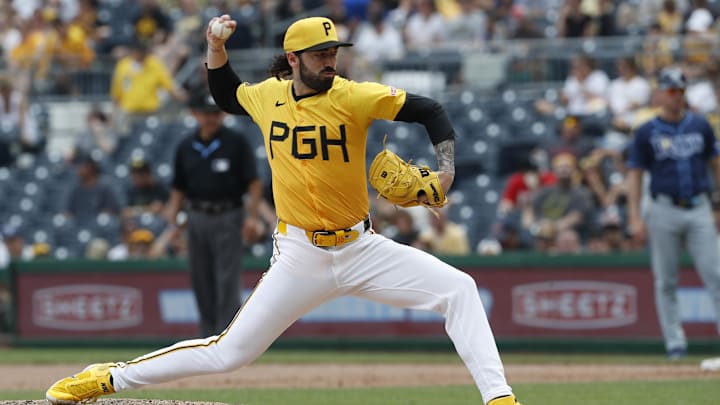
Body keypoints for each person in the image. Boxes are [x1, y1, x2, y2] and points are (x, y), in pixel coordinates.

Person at [45, 15, 521, 405]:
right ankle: (109, 377)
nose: (330, 61)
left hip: (362, 247)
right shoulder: (269, 96)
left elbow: (430, 110)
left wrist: (445, 170)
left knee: (460, 289)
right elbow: (227, 93)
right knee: (228, 353)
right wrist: (214, 46)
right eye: (320, 54)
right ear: (293, 59)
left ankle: (499, 398)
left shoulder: (352, 96)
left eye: (334, 52)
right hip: (300, 255)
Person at [627, 67, 720, 360]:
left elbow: (716, 164)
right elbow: (635, 175)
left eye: (680, 91)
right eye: (671, 91)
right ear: (659, 94)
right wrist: (634, 216)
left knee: (716, 274)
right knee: (666, 280)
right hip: (663, 208)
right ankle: (674, 343)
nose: (676, 96)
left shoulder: (700, 125)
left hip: (699, 206)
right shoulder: (646, 131)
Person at [164, 90, 264, 337]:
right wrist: (174, 225)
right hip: (196, 215)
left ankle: (228, 337)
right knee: (201, 279)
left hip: (228, 214)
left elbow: (253, 182)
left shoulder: (235, 142)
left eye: (216, 114)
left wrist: (251, 217)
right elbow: (178, 188)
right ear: (195, 114)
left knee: (227, 278)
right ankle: (207, 337)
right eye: (207, 114)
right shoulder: (186, 145)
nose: (212, 119)